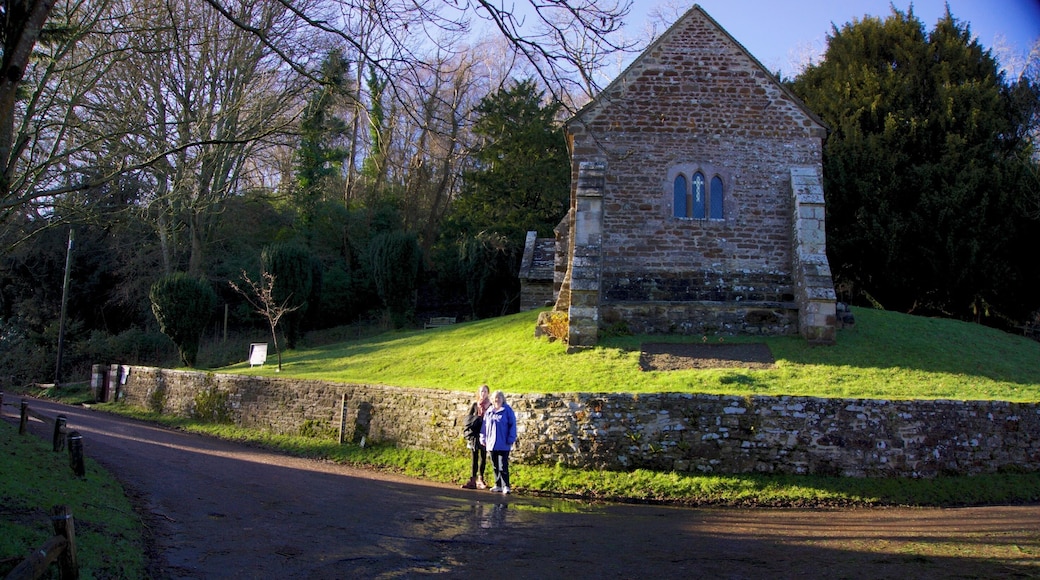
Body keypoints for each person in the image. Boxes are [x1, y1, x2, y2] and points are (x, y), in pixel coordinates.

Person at [480, 389, 517, 494]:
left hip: (503, 443)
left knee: (503, 465)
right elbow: (484, 426)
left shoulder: (507, 410)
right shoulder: (489, 411)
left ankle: (506, 485)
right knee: (495, 465)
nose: (497, 400)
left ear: (502, 399)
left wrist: (511, 438)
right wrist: (483, 438)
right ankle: (498, 484)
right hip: (491, 443)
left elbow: (512, 425)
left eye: (499, 398)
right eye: (495, 398)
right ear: (491, 399)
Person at [461, 385, 492, 489]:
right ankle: (472, 480)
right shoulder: (475, 405)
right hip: (474, 435)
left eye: (485, 391)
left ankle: (481, 479)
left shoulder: (490, 406)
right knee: (474, 457)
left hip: (484, 434)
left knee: (483, 457)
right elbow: (468, 419)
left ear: (488, 393)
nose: (483, 393)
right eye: (481, 391)